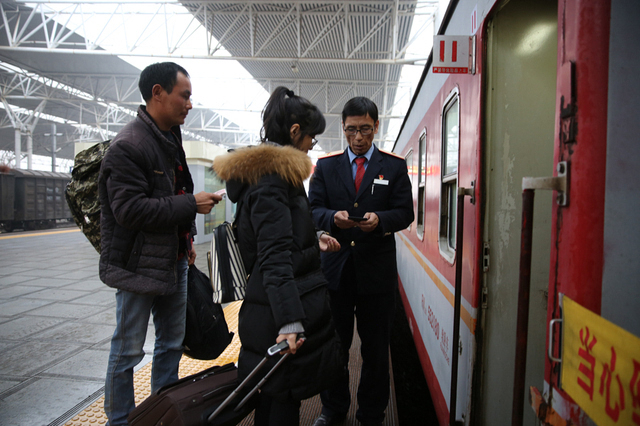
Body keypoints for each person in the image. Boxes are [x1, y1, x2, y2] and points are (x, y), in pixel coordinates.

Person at [212, 86, 344, 426]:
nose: (311, 147)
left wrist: (314, 239)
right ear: (295, 132)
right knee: (281, 401)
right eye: (311, 139)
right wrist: (290, 321)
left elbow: (278, 235)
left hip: (272, 302)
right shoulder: (273, 179)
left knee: (275, 396)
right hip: (278, 309)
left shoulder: (272, 175)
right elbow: (273, 255)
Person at [99, 62, 221, 425]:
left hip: (174, 260)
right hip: (136, 267)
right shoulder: (129, 145)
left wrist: (187, 239)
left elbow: (172, 191)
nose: (189, 104)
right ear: (158, 93)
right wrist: (191, 205)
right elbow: (128, 210)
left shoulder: (169, 137)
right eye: (184, 96)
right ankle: (119, 420)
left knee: (171, 344)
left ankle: (161, 415)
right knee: (127, 352)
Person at [308, 96, 414, 426]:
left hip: (376, 274)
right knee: (334, 345)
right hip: (336, 271)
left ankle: (371, 413)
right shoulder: (326, 166)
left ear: (376, 126)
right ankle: (333, 409)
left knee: (376, 350)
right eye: (352, 130)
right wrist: (330, 218)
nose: (358, 137)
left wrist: (381, 220)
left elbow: (406, 212)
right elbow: (312, 209)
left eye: (365, 129)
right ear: (343, 127)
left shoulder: (393, 167)